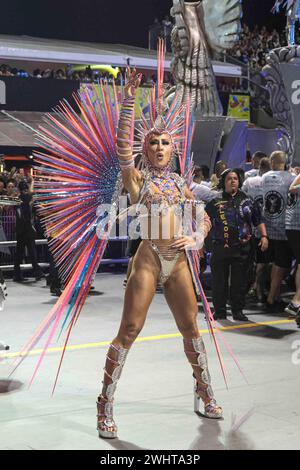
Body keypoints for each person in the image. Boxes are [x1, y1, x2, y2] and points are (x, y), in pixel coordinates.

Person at [96, 67, 223, 440]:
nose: (159, 148)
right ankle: (105, 403)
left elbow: (202, 215)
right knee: (130, 329)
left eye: (165, 142)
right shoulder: (137, 179)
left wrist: (197, 236)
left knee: (191, 329)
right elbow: (122, 149)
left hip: (179, 263)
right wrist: (129, 100)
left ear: (173, 148)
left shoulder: (181, 182)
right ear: (146, 148)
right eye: (153, 143)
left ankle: (203, 391)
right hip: (149, 260)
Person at [206, 169, 268, 321]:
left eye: (235, 178)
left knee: (239, 282)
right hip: (220, 247)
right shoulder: (215, 201)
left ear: (239, 181)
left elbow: (257, 219)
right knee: (219, 281)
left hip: (242, 249)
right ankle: (219, 311)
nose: (233, 181)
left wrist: (264, 236)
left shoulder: (247, 200)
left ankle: (238, 311)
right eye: (229, 178)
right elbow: (204, 220)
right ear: (223, 182)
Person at [261, 151, 296, 312]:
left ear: (271, 161)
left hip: (266, 228)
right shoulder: (290, 178)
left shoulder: (265, 177)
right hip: (284, 228)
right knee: (281, 265)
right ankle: (271, 298)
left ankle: (264, 293)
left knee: (265, 262)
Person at [242, 157, 271, 302]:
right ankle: (258, 290)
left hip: (249, 228)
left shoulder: (249, 182)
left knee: (248, 261)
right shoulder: (270, 182)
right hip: (266, 229)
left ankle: (250, 289)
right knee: (262, 261)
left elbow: (241, 200)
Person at [13, 181, 44, 282]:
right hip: (27, 228)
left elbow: (18, 212)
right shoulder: (28, 198)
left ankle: (17, 275)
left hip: (19, 229)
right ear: (26, 188)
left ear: (19, 189)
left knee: (19, 253)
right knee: (32, 251)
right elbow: (31, 212)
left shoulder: (16, 199)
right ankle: (37, 272)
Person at [285, 171, 300, 320]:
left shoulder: (295, 182)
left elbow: (292, 188)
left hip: (291, 227)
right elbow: (292, 189)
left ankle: (296, 302)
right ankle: (295, 302)